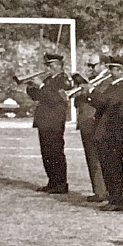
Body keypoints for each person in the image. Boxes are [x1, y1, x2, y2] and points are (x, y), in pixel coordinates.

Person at [90, 56, 123, 212]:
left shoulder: (122, 87)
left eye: (112, 69)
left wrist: (90, 91)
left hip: (113, 133)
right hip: (107, 132)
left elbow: (105, 102)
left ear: (119, 71)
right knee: (108, 167)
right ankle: (113, 199)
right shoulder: (114, 86)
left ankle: (117, 201)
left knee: (114, 168)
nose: (110, 72)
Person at [26, 53, 71, 194]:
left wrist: (41, 85)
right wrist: (31, 86)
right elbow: (37, 97)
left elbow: (55, 98)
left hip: (55, 120)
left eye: (50, 65)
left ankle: (61, 183)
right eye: (47, 65)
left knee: (56, 152)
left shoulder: (63, 80)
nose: (48, 68)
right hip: (44, 120)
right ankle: (52, 181)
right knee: (46, 153)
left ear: (58, 66)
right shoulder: (48, 80)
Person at [73, 57, 108, 204]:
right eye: (89, 65)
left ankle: (102, 191)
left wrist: (88, 91)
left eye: (93, 65)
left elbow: (102, 100)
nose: (90, 68)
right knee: (91, 158)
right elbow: (77, 103)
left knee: (97, 158)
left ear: (103, 65)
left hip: (95, 122)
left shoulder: (106, 80)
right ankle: (98, 190)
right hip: (86, 122)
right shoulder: (93, 80)